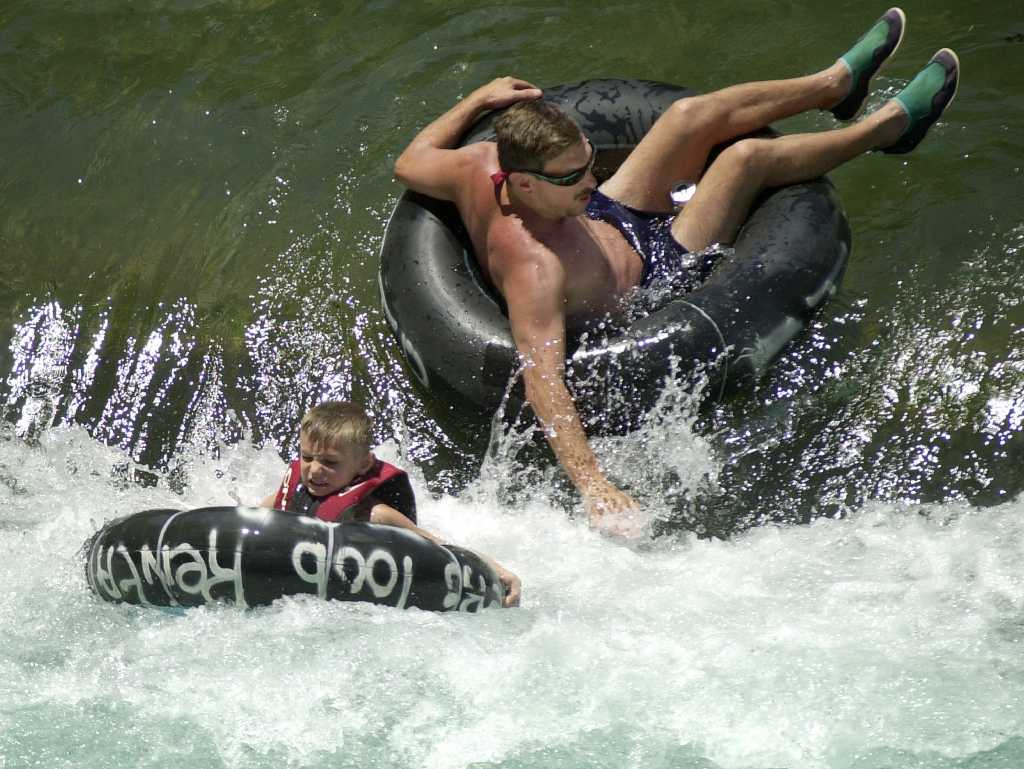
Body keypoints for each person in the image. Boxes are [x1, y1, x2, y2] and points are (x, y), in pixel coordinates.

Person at [393, 8, 958, 535]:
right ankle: (886, 131)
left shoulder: (485, 165)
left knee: (690, 116)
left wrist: (476, 100)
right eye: (572, 176)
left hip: (613, 221)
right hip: (659, 269)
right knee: (743, 161)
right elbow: (543, 378)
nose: (587, 178)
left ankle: (834, 86)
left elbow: (408, 161)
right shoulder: (534, 270)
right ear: (521, 183)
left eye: (589, 163)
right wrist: (592, 482)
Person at [260, 400, 521, 607]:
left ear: (362, 464)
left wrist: (496, 570)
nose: (315, 470)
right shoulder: (286, 495)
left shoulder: (375, 514)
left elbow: (438, 545)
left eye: (330, 462)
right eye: (306, 457)